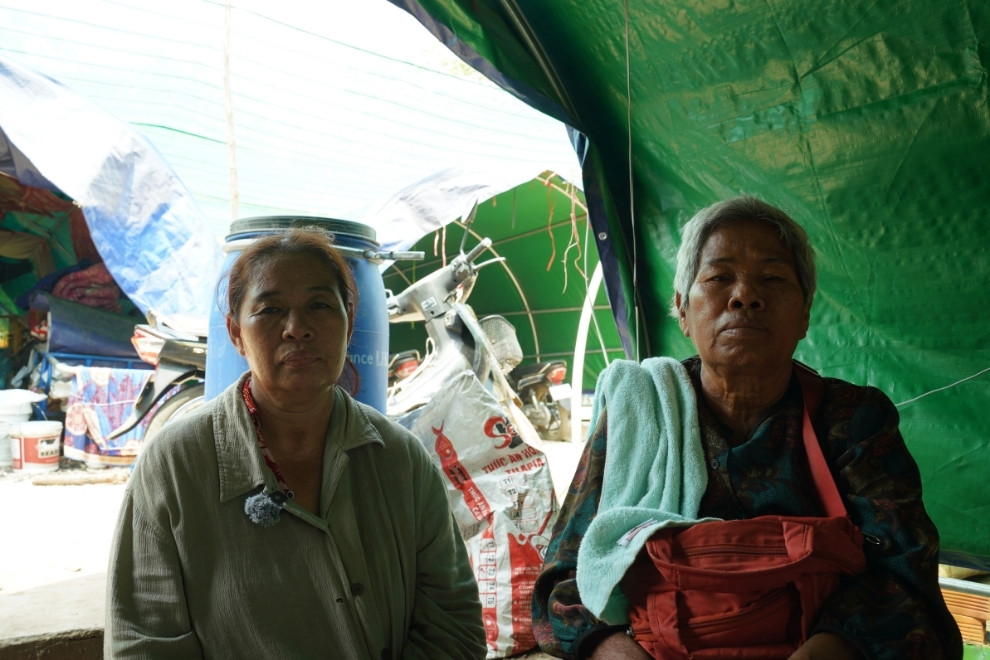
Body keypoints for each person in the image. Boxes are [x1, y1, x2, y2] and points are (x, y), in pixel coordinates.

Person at [531, 196, 962, 660]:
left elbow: (904, 578)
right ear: (681, 308)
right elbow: (563, 586)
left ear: (804, 315)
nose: (744, 296)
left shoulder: (853, 418)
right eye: (718, 278)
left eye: (773, 279)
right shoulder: (640, 411)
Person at [105, 227, 487, 659]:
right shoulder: (174, 465)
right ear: (235, 333)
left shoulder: (400, 459)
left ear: (348, 327)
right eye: (270, 310)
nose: (297, 328)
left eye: (320, 306)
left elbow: (454, 624)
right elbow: (143, 642)